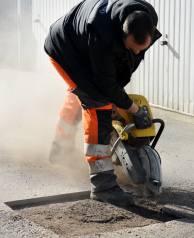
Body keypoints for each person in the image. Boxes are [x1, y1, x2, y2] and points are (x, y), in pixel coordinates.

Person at [44, 0, 161, 207]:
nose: (136, 53)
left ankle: (59, 150)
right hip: (65, 50)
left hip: (86, 47)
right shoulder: (101, 33)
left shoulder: (145, 18)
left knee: (82, 94)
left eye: (140, 49)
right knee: (97, 107)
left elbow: (123, 66)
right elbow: (106, 83)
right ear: (121, 33)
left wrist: (117, 99)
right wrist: (131, 108)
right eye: (131, 47)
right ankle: (102, 185)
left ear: (152, 28)